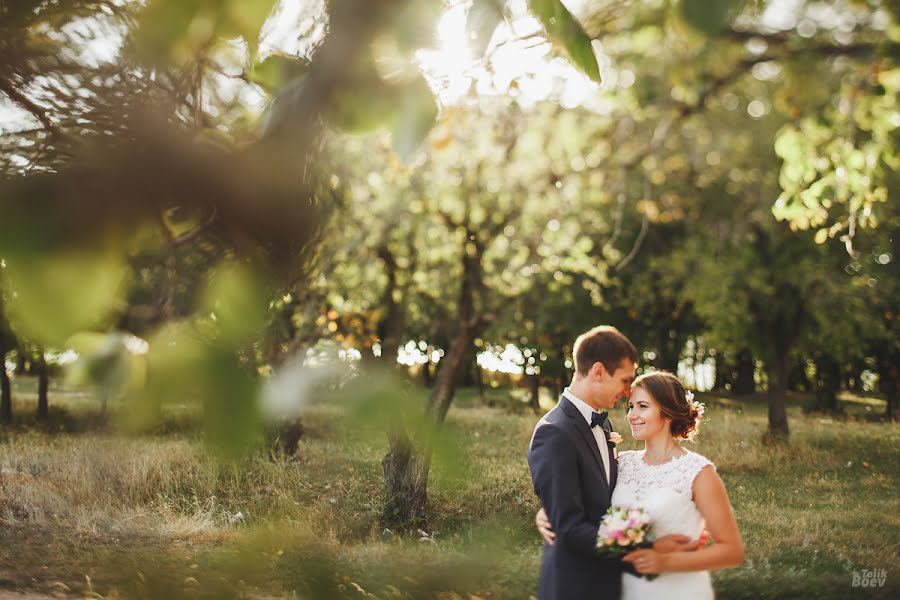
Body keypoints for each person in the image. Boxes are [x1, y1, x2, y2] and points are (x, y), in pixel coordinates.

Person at [535, 370, 744, 600]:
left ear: (667, 412)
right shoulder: (622, 463)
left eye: (642, 406)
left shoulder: (697, 472)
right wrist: (548, 511)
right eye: (630, 407)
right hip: (625, 587)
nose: (632, 415)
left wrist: (664, 561)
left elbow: (731, 551)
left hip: (679, 590)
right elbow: (583, 496)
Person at [527, 326, 698, 600]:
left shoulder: (602, 422)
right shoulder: (554, 433)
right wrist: (650, 549)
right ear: (598, 372)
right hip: (575, 586)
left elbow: (599, 497)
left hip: (611, 584)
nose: (628, 392)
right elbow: (570, 529)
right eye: (625, 380)